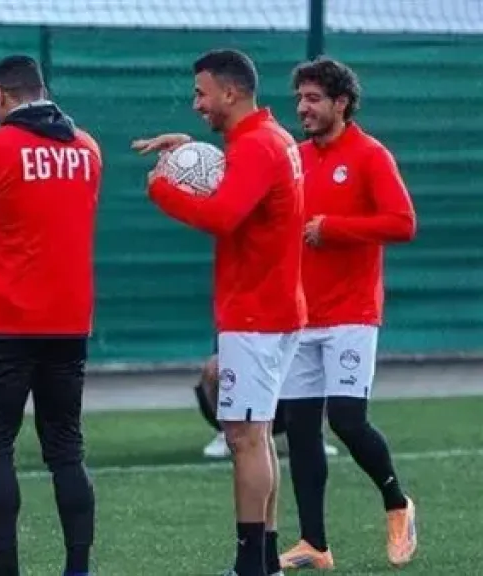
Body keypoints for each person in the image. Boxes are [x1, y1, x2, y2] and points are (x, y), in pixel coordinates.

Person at [133, 49, 306, 576]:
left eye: (201, 93)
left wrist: (163, 190)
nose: (196, 103)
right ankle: (265, 561)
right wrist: (189, 152)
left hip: (256, 313)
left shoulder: (256, 145)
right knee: (257, 435)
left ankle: (250, 565)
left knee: (244, 438)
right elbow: (238, 188)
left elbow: (224, 215)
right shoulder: (270, 138)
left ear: (230, 92)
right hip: (273, 307)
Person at [0, 55, 102, 576]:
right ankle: (78, 568)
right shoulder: (87, 148)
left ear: (1, 96)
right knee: (66, 451)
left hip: (3, 324)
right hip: (69, 323)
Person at [277, 56, 418, 570]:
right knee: (300, 430)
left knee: (347, 420)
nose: (303, 107)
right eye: (300, 98)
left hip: (352, 314)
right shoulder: (294, 157)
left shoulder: (370, 155)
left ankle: (397, 502)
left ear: (341, 103)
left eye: (313, 99)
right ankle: (314, 543)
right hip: (301, 316)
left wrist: (333, 228)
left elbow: (402, 222)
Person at [197, 349, 337, 459]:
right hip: (251, 400)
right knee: (216, 367)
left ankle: (312, 433)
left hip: (294, 392)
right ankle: (229, 433)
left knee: (321, 361)